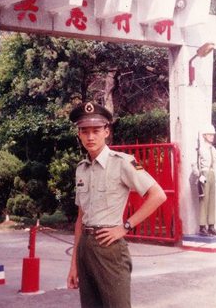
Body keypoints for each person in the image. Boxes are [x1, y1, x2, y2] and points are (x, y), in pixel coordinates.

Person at [66, 101, 167, 308]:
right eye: (85, 131)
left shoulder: (123, 162)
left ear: (106, 131)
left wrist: (125, 227)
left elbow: (158, 195)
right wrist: (74, 264)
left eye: (96, 131)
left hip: (109, 248)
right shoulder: (81, 169)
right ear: (79, 134)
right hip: (85, 248)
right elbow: (80, 219)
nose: (90, 137)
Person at [195, 124, 216, 236]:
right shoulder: (200, 149)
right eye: (209, 134)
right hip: (204, 175)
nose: (212, 136)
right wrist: (199, 175)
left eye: (212, 134)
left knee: (212, 200)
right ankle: (202, 227)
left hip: (211, 174)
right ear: (204, 135)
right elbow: (194, 164)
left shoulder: (213, 149)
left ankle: (211, 225)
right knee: (204, 199)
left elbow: (215, 164)